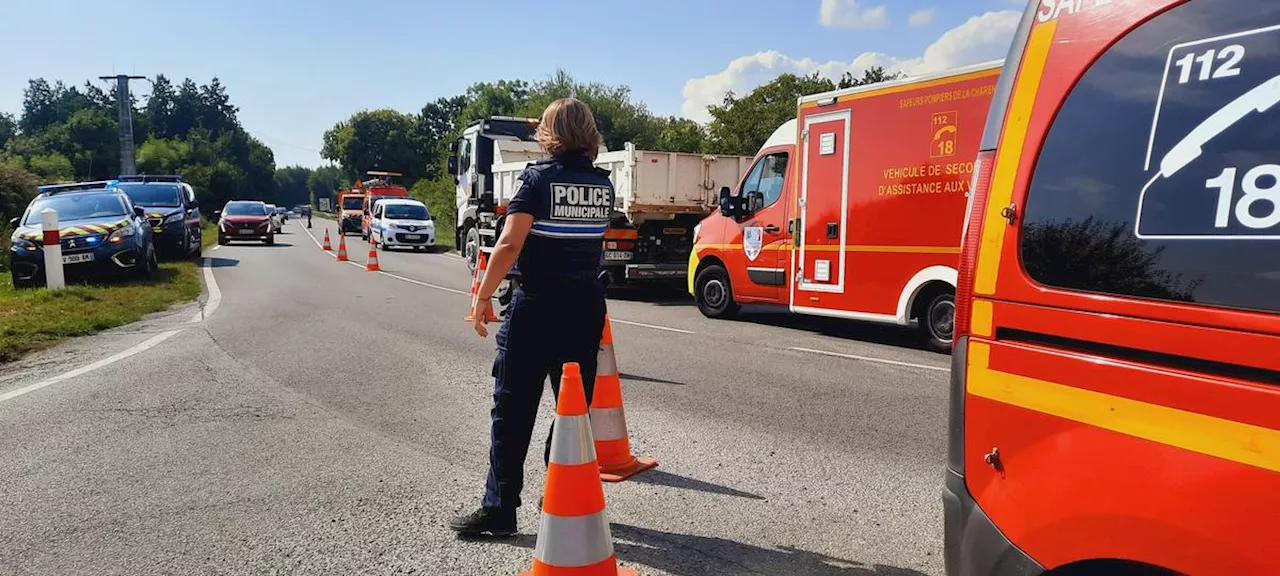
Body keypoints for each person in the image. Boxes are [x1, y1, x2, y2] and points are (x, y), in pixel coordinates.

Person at [450, 98, 612, 537]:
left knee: (513, 409)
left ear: (550, 133)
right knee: (572, 408)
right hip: (585, 308)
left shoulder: (538, 180)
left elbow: (508, 244)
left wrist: (482, 297)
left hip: (538, 307)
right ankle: (560, 492)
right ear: (589, 133)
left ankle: (500, 509)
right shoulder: (602, 185)